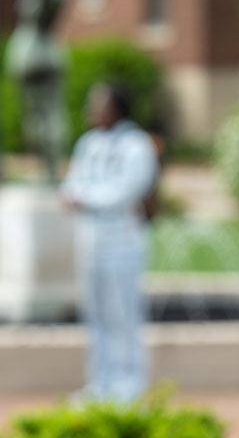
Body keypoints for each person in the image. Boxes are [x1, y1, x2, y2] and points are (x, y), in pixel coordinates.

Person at [62, 83, 160, 403]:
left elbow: (126, 190)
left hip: (122, 242)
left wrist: (87, 198)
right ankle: (101, 383)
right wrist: (83, 196)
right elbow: (72, 184)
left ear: (117, 107)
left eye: (99, 104)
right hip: (90, 241)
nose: (93, 110)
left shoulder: (136, 146)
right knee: (96, 315)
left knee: (123, 314)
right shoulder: (88, 144)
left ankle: (129, 385)